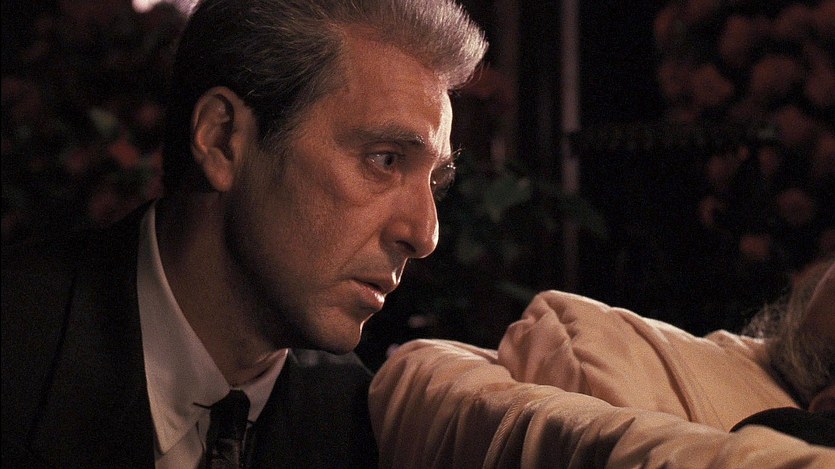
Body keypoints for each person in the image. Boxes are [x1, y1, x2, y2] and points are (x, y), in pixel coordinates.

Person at [1, 0, 488, 467]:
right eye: (385, 160)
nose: (425, 235)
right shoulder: (20, 347)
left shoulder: (360, 426)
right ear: (221, 139)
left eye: (436, 184)